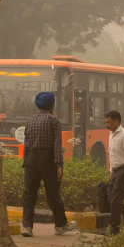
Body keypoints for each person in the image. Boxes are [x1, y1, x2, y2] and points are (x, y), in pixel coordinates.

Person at [20, 91, 77, 237]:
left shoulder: (30, 120)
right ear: (52, 105)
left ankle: (26, 226)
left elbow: (26, 144)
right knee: (52, 193)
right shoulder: (53, 121)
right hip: (47, 159)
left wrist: (25, 162)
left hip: (31, 159)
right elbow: (57, 144)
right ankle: (60, 225)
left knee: (29, 193)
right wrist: (59, 165)